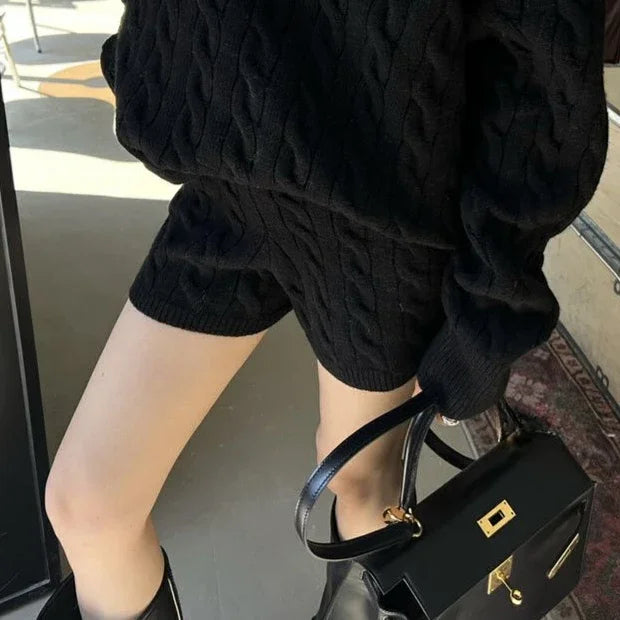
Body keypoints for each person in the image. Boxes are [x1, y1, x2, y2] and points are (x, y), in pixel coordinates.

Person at [37, 1, 608, 618]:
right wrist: (153, 61)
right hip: (227, 180)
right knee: (87, 506)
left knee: (360, 489)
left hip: (377, 222)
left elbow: (543, 70)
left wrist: (485, 317)